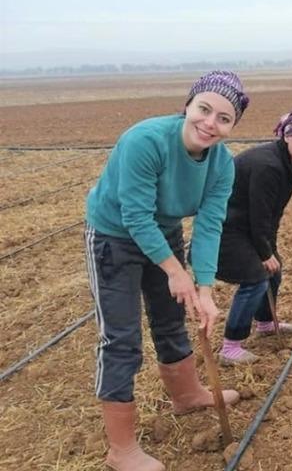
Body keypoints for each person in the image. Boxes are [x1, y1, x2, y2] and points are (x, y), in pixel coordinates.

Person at [84, 70, 249, 471]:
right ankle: (121, 449)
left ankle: (187, 394)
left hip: (165, 232)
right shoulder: (146, 140)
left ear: (231, 126)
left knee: (172, 319)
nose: (210, 123)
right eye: (204, 109)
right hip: (114, 236)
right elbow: (136, 216)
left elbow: (210, 224)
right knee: (121, 339)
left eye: (224, 118)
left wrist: (205, 289)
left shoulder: (221, 165)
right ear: (188, 105)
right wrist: (176, 272)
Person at [216, 108, 292, 365]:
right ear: (287, 136)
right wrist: (264, 253)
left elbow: (270, 216)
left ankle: (265, 323)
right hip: (224, 229)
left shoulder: (286, 163)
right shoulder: (269, 166)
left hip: (244, 226)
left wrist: (269, 251)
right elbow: (260, 214)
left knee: (274, 269)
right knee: (256, 277)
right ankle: (230, 346)